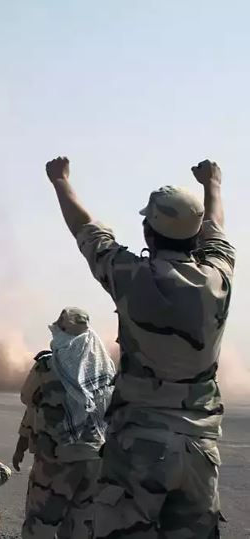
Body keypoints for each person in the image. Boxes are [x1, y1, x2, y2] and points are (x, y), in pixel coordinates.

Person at [45, 157, 234, 538]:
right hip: (199, 447)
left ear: (148, 232)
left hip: (140, 444)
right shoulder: (218, 279)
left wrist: (60, 181)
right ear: (196, 235)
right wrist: (212, 184)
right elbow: (216, 229)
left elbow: (87, 231)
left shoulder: (130, 276)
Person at [13, 308, 115, 539]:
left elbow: (28, 399)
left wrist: (22, 443)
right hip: (94, 459)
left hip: (56, 460)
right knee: (81, 527)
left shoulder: (47, 366)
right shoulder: (103, 367)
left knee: (40, 526)